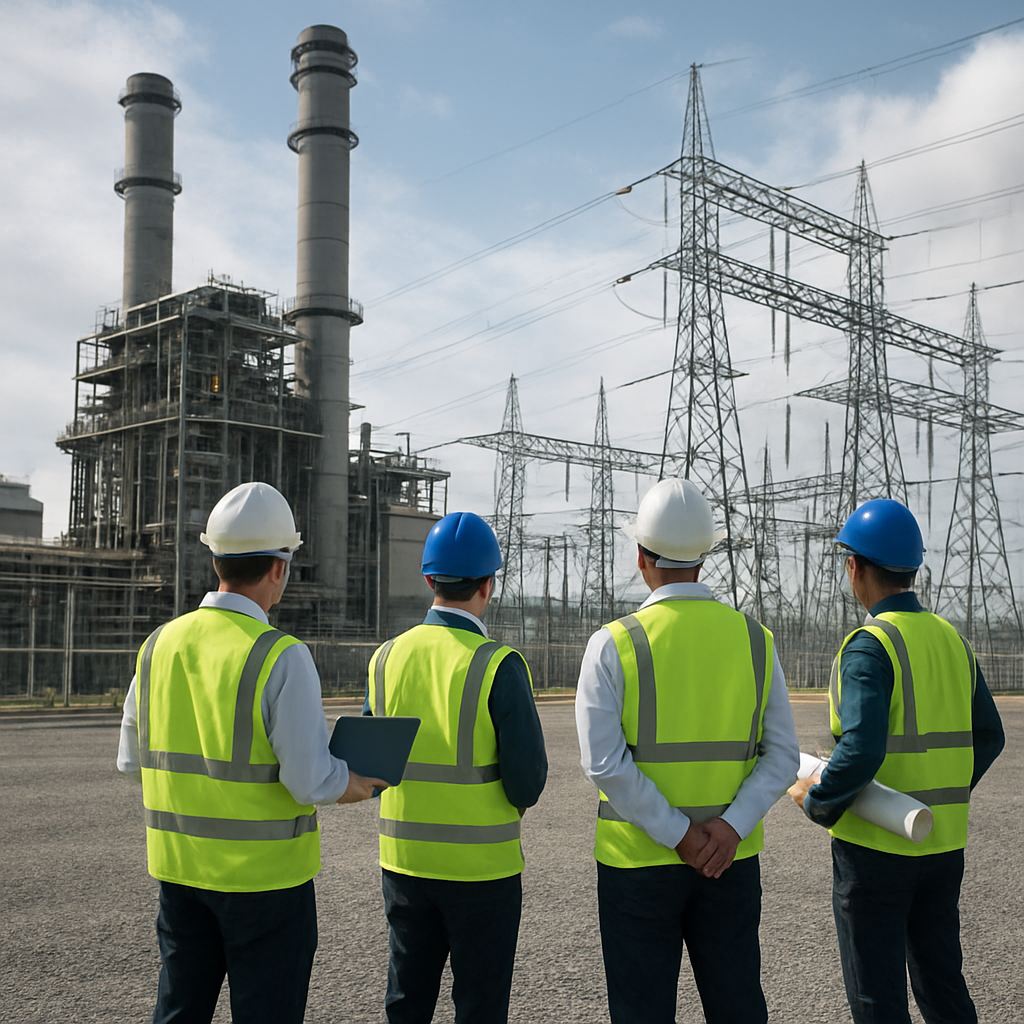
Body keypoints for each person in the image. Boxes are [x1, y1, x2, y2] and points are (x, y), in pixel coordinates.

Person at [117, 481, 386, 1024]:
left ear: (214, 558)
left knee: (179, 1010)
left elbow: (131, 760)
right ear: (280, 567)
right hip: (266, 885)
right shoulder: (280, 656)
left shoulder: (158, 644)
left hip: (180, 874)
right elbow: (310, 780)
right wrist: (352, 782)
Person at [575, 478, 800, 1024]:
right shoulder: (754, 639)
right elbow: (783, 756)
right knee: (737, 1006)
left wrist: (678, 835)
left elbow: (603, 763)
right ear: (705, 557)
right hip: (730, 861)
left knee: (641, 1011)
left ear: (640, 556)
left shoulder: (614, 642)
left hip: (638, 865)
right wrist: (728, 829)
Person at [788, 498, 1004, 1024]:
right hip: (942, 844)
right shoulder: (953, 640)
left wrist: (818, 801)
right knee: (942, 986)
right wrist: (942, 790)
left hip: (876, 851)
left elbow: (863, 748)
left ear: (855, 566)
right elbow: (990, 737)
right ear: (912, 568)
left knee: (876, 998)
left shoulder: (870, 644)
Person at [366, 511, 547, 1024]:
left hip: (404, 866)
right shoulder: (498, 665)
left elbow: (369, 766)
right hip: (482, 872)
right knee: (480, 1007)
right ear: (488, 585)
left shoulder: (385, 659)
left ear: (428, 580)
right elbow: (527, 782)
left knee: (406, 1002)